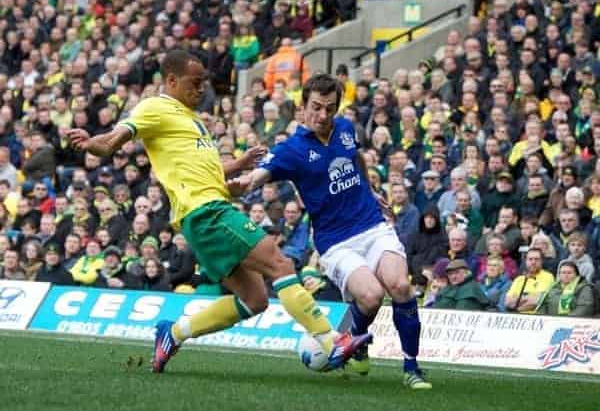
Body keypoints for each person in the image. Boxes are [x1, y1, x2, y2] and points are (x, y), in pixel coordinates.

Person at [67, 50, 369, 374]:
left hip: (208, 210)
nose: (201, 90)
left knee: (255, 299)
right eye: (194, 83)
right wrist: (91, 143)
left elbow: (204, 169)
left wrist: (238, 166)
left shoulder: (191, 119)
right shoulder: (155, 107)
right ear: (171, 80)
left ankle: (175, 332)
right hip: (206, 212)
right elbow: (114, 140)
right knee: (279, 262)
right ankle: (329, 340)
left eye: (203, 84)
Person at [231, 74, 431, 388]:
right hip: (336, 242)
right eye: (316, 107)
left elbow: (357, 159)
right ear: (302, 108)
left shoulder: (347, 129)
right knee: (371, 296)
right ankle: (357, 342)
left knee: (401, 287)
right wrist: (240, 184)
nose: (323, 116)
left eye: (329, 108)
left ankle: (411, 368)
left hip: (373, 226)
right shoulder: (291, 150)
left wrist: (371, 189)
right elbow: (259, 175)